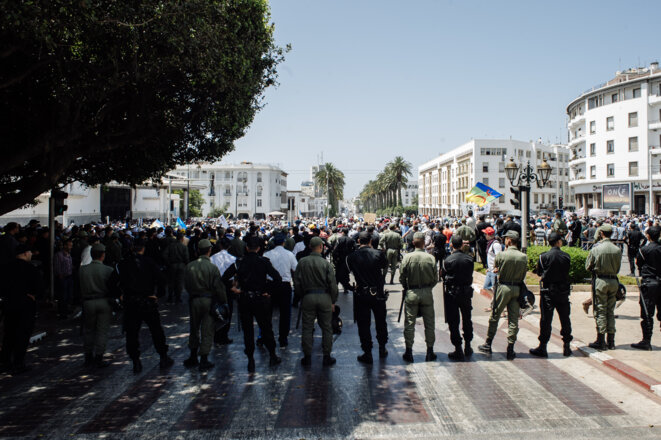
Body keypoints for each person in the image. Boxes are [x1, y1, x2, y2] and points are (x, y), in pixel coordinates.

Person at [222, 236, 282, 372]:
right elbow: (277, 278)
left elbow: (224, 277)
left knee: (248, 331)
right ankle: (272, 355)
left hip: (245, 299)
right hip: (260, 299)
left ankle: (250, 360)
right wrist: (268, 290)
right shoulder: (264, 262)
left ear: (247, 248)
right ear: (259, 248)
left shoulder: (239, 262)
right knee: (266, 328)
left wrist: (233, 289)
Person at [117, 240, 173, 373]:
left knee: (132, 333)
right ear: (143, 249)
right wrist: (158, 295)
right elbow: (161, 279)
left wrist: (121, 295)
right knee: (156, 331)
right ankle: (163, 356)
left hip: (131, 303)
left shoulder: (123, 264)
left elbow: (113, 281)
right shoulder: (149, 262)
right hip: (147, 301)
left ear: (132, 249)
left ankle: (136, 361)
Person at [478, 230, 527, 360]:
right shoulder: (523, 257)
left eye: (506, 239)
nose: (504, 241)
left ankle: (488, 343)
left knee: (495, 315)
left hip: (503, 287)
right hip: (517, 288)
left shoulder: (502, 255)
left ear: (509, 240)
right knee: (513, 319)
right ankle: (510, 347)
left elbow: (496, 269)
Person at [183, 239, 227, 371]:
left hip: (194, 300)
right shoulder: (212, 268)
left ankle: (192, 355)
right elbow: (218, 287)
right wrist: (223, 301)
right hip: (208, 301)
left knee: (194, 328)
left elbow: (186, 285)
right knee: (207, 330)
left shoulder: (189, 266)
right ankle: (204, 358)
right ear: (209, 250)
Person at [293, 236, 339, 367]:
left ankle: (307, 357)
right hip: (324, 297)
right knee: (327, 328)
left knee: (307, 327)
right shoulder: (326, 264)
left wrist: (302, 295)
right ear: (321, 247)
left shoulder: (302, 262)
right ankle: (326, 356)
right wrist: (333, 301)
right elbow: (333, 285)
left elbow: (296, 282)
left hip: (308, 297)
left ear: (309, 247)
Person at [346, 231, 388, 364]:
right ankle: (382, 347)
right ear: (370, 241)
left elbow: (341, 274)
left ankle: (367, 352)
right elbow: (385, 266)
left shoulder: (351, 257)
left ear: (359, 241)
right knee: (381, 321)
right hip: (378, 294)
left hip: (361, 294)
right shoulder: (379, 254)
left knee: (363, 324)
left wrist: (351, 287)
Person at [0, 244, 42, 374]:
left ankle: (5, 362)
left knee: (9, 334)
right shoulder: (31, 268)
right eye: (29, 252)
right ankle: (18, 363)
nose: (31, 255)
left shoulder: (5, 267)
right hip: (26, 306)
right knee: (22, 334)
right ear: (25, 253)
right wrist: (33, 295)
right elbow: (39, 287)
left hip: (9, 305)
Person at [530, 232, 573, 358]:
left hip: (548, 292)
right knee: (565, 318)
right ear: (559, 242)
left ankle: (543, 347)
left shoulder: (543, 257)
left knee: (546, 320)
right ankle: (567, 346)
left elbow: (539, 273)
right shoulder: (567, 256)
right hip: (563, 292)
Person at [399, 232, 438, 363]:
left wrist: (408, 287)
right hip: (427, 292)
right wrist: (427, 288)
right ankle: (430, 351)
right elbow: (435, 279)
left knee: (409, 323)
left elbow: (402, 277)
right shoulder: (430, 258)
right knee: (429, 323)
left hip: (411, 292)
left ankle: (409, 352)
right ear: (423, 243)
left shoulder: (407, 258)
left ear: (413, 243)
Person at [79, 243, 118, 368]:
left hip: (87, 302)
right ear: (103, 255)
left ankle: (88, 356)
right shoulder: (108, 270)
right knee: (102, 331)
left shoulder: (82, 270)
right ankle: (99, 357)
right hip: (104, 301)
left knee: (88, 330)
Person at [585, 224, 622, 350]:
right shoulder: (617, 249)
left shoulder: (596, 249)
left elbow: (588, 266)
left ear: (601, 233)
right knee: (610, 311)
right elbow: (618, 267)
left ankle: (600, 340)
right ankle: (611, 341)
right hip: (613, 281)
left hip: (601, 280)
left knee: (600, 310)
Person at [441, 235, 474, 361]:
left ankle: (458, 348)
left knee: (453, 322)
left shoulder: (448, 260)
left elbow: (443, 276)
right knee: (467, 319)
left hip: (452, 293)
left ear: (451, 245)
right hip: (466, 293)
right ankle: (468, 345)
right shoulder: (469, 259)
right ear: (461, 245)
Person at [263, 233, 298, 348]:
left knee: (267, 312)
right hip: (284, 285)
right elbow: (295, 268)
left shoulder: (267, 254)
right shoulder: (289, 254)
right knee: (285, 312)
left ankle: (266, 336)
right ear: (283, 242)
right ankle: (283, 338)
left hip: (270, 285)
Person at [632, 226, 661, 351]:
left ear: (648, 236)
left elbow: (639, 263)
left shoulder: (644, 250)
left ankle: (646, 341)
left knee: (647, 313)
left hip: (649, 283)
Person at [210, 237, 236, 345]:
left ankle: (217, 335)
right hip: (228, 285)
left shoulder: (212, 258)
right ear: (229, 246)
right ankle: (224, 335)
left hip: (215, 285)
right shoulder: (232, 258)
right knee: (227, 309)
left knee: (216, 309)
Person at [53, 238, 74, 319]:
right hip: (63, 278)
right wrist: (60, 276)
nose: (71, 247)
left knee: (68, 295)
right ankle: (62, 312)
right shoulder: (58, 255)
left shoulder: (69, 255)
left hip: (69, 276)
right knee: (62, 296)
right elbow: (57, 267)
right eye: (69, 246)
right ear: (64, 246)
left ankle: (66, 309)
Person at [331, 228, 354, 293]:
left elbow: (335, 250)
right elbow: (354, 249)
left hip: (339, 260)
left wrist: (335, 259)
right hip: (347, 261)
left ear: (343, 232)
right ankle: (345, 288)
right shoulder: (351, 240)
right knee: (346, 275)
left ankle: (335, 289)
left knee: (337, 275)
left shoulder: (339, 239)